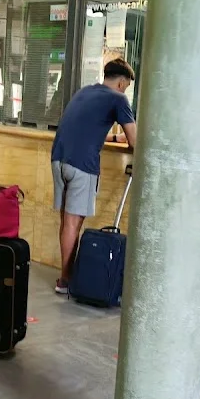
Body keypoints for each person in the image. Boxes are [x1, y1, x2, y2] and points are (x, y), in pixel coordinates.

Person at [50, 57, 137, 294]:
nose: (125, 90)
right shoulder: (119, 98)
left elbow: (86, 128)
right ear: (122, 83)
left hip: (58, 158)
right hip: (82, 164)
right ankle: (65, 281)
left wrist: (113, 137)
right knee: (73, 223)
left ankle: (66, 276)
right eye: (127, 86)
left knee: (66, 222)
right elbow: (135, 142)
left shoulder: (85, 92)